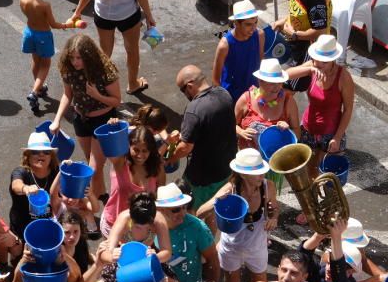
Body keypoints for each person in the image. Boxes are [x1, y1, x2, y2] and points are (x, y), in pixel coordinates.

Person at [50, 34, 122, 215]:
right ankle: (102, 196)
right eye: (72, 57)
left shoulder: (105, 71)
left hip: (103, 122)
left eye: (79, 57)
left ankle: (96, 208)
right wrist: (57, 119)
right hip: (81, 120)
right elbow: (68, 95)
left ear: (89, 56)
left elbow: (116, 101)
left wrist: (97, 95)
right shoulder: (68, 69)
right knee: (93, 164)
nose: (75, 62)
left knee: (93, 169)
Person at [199, 149, 277, 282]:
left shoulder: (268, 187)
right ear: (243, 174)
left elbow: (275, 208)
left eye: (262, 170)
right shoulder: (230, 189)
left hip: (257, 247)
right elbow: (200, 213)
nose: (262, 175)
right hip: (231, 248)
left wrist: (274, 218)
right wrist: (216, 201)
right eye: (257, 172)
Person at [69, 0, 156, 96]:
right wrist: (149, 16)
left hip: (103, 13)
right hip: (128, 13)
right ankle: (133, 84)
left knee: (105, 53)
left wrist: (77, 12)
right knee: (132, 51)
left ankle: (102, 85)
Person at [169, 65, 238, 211]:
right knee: (213, 210)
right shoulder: (224, 93)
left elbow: (185, 147)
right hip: (225, 169)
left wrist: (170, 159)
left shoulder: (194, 109)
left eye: (183, 90)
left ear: (189, 86)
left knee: (192, 211)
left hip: (202, 177)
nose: (184, 94)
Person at [285, 35, 354, 175]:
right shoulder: (313, 66)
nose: (319, 64)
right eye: (317, 60)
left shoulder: (344, 77)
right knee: (310, 169)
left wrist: (337, 137)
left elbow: (348, 110)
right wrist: (309, 70)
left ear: (333, 60)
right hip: (308, 128)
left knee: (326, 173)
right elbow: (285, 74)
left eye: (324, 62)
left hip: (331, 132)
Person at [271, 0, 331, 92]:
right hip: (296, 44)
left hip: (307, 49)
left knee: (288, 89)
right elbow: (302, 12)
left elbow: (319, 31)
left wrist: (294, 34)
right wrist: (284, 21)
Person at [102, 122, 163, 237]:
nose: (140, 155)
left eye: (145, 151)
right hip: (113, 224)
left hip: (141, 228)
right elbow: (107, 143)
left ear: (151, 150)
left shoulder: (157, 168)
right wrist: (113, 127)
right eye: (136, 150)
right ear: (128, 146)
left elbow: (160, 198)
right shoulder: (119, 162)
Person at [19, 0, 70, 111]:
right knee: (46, 64)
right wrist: (66, 25)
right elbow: (53, 24)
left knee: (35, 61)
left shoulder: (22, 0)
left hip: (29, 33)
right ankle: (34, 92)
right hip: (43, 36)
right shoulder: (45, 5)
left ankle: (40, 87)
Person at [157, 183, 214, 282]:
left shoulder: (197, 226)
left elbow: (213, 261)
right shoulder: (151, 228)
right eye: (176, 210)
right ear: (161, 209)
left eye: (184, 207)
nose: (183, 213)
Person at [234, 58, 301, 151]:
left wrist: (288, 131)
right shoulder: (246, 99)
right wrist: (241, 132)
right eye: (272, 83)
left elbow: (297, 132)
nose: (277, 87)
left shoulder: (288, 101)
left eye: (280, 82)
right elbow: (231, 125)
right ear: (260, 81)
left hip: (276, 159)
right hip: (250, 159)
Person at [9, 132, 62, 240]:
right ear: (27, 155)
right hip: (22, 228)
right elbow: (16, 185)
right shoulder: (21, 172)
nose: (41, 154)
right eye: (35, 152)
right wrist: (26, 188)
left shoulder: (56, 172)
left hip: (47, 226)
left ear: (51, 156)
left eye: (46, 152)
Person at [212, 0, 265, 103]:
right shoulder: (224, 45)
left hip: (254, 92)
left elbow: (261, 60)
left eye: (255, 23)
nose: (253, 28)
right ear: (236, 23)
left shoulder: (260, 35)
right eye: (248, 24)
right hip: (231, 96)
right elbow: (215, 80)